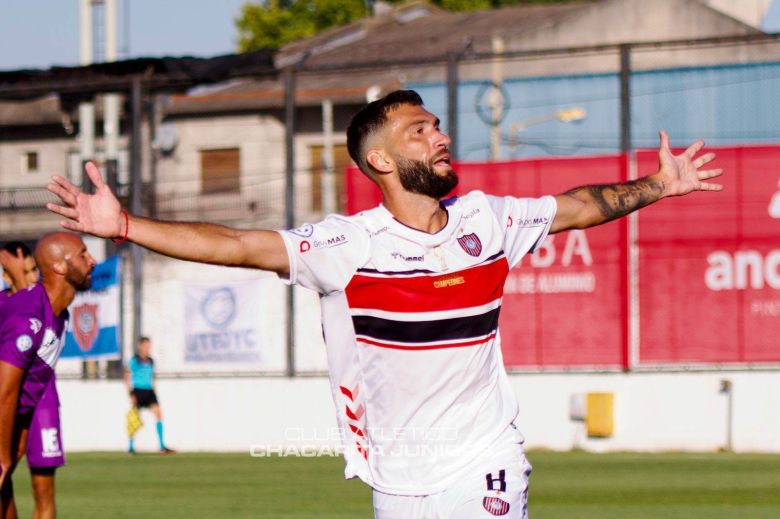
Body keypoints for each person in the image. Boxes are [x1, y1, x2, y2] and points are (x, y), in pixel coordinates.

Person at [45, 90, 722, 518]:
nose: (439, 136)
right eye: (419, 131)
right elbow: (239, 245)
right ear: (382, 163)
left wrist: (658, 186)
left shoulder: (490, 220)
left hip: (483, 460)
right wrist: (126, 226)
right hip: (396, 479)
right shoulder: (347, 244)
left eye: (436, 125)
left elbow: (579, 206)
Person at [0, 233, 96, 519]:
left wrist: (13, 448)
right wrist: (3, 458)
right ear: (60, 266)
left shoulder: (59, 314)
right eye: (83, 254)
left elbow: (22, 397)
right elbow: (4, 393)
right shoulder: (28, 319)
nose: (92, 261)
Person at [124, 336, 174, 454]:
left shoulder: (151, 361)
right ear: (140, 346)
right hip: (137, 390)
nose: (148, 348)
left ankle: (162, 445)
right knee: (134, 418)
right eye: (146, 346)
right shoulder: (134, 360)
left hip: (149, 391)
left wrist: (154, 390)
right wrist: (131, 393)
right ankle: (131, 446)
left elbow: (152, 376)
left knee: (158, 413)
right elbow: (127, 376)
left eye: (149, 346)